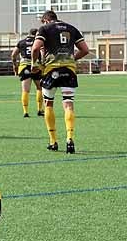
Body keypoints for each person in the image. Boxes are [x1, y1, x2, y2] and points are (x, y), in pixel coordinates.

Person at [30, 10, 89, 154]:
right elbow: (85, 50)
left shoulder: (44, 29)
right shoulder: (71, 28)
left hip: (51, 70)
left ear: (45, 20)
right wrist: (72, 59)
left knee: (48, 103)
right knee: (68, 104)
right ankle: (70, 138)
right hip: (69, 70)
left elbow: (36, 47)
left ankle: (53, 141)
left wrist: (34, 63)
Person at [11, 28, 42, 118]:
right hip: (36, 66)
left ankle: (25, 111)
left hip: (24, 66)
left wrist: (15, 65)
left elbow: (13, 55)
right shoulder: (38, 42)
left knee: (25, 90)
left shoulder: (21, 42)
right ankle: (40, 110)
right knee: (39, 88)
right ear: (36, 34)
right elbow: (42, 53)